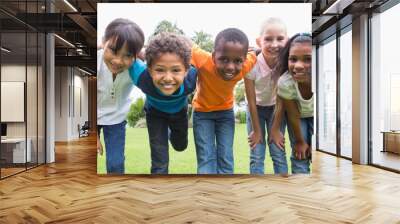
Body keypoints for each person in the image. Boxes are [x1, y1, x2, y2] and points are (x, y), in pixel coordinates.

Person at [191, 28, 259, 174]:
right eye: (224, 59)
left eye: (237, 61)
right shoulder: (203, 60)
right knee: (206, 157)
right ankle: (206, 192)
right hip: (202, 114)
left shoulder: (246, 65)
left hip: (225, 114)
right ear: (214, 56)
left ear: (244, 61)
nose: (230, 67)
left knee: (226, 157)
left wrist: (258, 49)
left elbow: (256, 53)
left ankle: (224, 191)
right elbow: (187, 44)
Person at [128, 32, 197, 174]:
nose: (167, 78)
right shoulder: (141, 77)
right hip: (155, 114)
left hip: (179, 113)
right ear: (149, 70)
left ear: (186, 71)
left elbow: (210, 62)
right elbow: (125, 52)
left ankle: (171, 133)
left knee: (180, 145)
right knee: (159, 158)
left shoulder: (191, 79)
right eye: (159, 70)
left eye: (176, 70)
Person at [97, 18, 146, 174]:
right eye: (113, 50)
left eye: (127, 55)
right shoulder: (96, 61)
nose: (118, 61)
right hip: (90, 115)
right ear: (103, 42)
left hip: (116, 117)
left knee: (115, 165)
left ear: (136, 55)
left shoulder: (136, 68)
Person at [244, 18, 289, 174]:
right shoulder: (251, 63)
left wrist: (275, 129)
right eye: (268, 39)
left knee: (278, 151)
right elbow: (250, 100)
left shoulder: (286, 65)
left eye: (280, 39)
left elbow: (282, 100)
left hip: (276, 109)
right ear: (259, 41)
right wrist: (256, 130)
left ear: (287, 41)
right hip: (255, 108)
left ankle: (283, 189)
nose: (274, 44)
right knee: (257, 153)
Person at [271, 33, 313, 174]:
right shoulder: (285, 82)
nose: (299, 66)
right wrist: (300, 141)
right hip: (298, 116)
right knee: (300, 155)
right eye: (293, 59)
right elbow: (293, 114)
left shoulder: (326, 78)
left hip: (317, 116)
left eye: (308, 59)